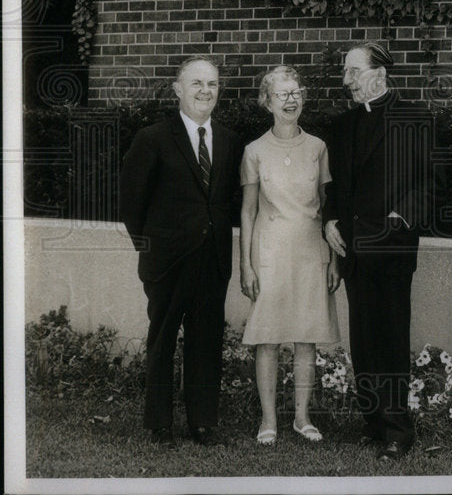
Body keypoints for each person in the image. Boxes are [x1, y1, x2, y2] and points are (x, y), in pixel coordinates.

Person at [119, 55, 243, 447]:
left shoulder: (229, 140)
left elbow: (228, 201)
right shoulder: (153, 138)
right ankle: (159, 424)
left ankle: (203, 423)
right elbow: (130, 204)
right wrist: (153, 248)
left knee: (206, 339)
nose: (206, 91)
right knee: (163, 339)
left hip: (213, 258)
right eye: (197, 84)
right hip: (167, 261)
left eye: (212, 84)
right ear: (178, 90)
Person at [322, 42, 430, 461]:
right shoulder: (343, 126)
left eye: (353, 72)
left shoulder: (414, 119)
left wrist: (398, 219)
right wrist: (330, 221)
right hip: (352, 249)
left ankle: (398, 430)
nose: (346, 81)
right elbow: (332, 186)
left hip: (390, 250)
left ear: (380, 75)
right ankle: (372, 423)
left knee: (389, 337)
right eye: (346, 73)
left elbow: (426, 183)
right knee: (363, 341)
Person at [239, 66, 340, 445]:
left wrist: (334, 258)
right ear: (267, 101)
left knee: (306, 337)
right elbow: (248, 211)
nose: (291, 99)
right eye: (282, 94)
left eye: (296, 92)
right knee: (268, 338)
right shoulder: (254, 151)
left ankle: (301, 417)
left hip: (311, 251)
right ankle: (268, 421)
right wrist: (246, 263)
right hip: (269, 252)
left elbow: (330, 209)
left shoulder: (317, 148)